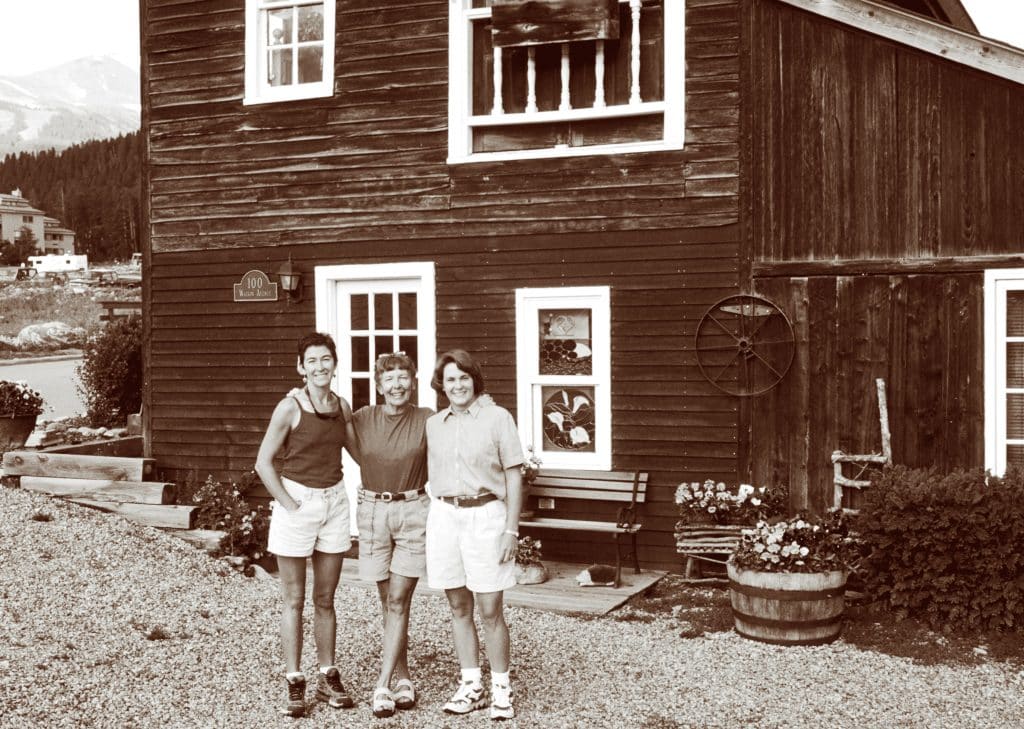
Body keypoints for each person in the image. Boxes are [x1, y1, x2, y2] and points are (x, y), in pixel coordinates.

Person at [255, 332, 357, 719]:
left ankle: (327, 675)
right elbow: (263, 463)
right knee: (294, 599)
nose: (319, 366)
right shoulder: (289, 407)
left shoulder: (341, 406)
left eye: (325, 359)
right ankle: (294, 679)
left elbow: (360, 452)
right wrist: (289, 505)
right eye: (311, 360)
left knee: (325, 599)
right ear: (301, 367)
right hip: (298, 502)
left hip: (334, 502)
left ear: (335, 364)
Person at [425, 349, 524, 721]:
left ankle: (501, 688)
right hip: (445, 516)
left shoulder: (498, 418)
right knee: (458, 607)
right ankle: (471, 686)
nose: (457, 385)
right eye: (450, 379)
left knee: (490, 608)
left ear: (474, 379)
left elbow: (513, 475)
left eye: (463, 377)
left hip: (486, 517)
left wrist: (511, 529)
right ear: (441, 385)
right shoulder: (434, 424)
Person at [349, 352, 433, 718]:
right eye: (389, 378)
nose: (397, 385)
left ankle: (382, 684)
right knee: (388, 602)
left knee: (398, 599)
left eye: (403, 377)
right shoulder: (362, 418)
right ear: (379, 385)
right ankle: (404, 678)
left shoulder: (427, 419)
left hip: (413, 510)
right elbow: (327, 421)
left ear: (413, 381)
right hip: (372, 512)